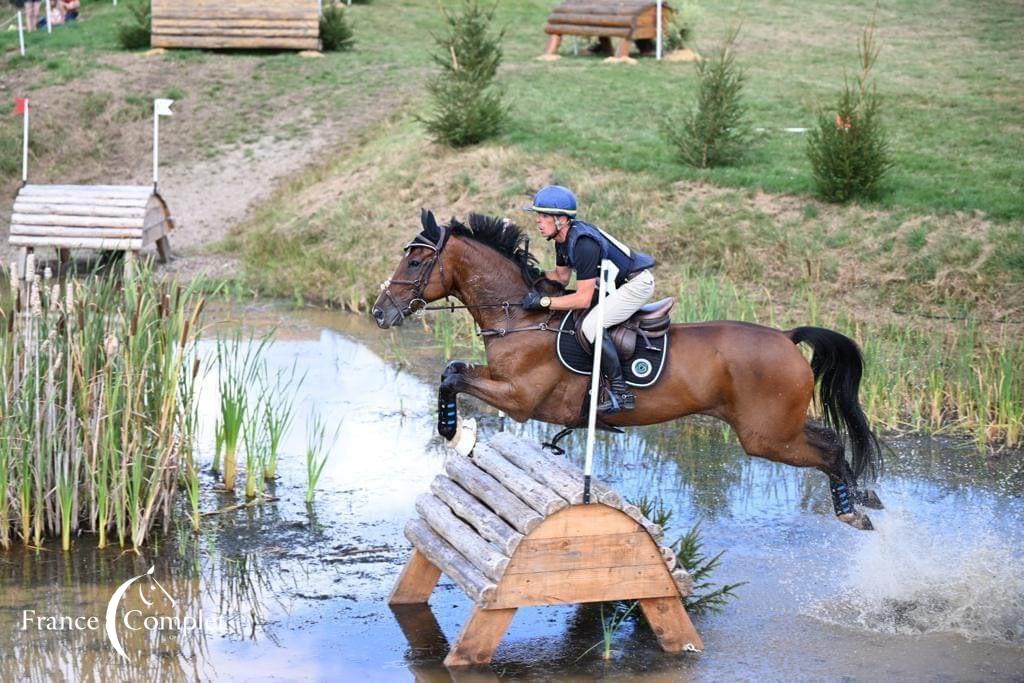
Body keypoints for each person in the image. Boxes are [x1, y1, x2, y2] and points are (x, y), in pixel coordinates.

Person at [521, 185, 656, 414]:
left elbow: (583, 298)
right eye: (538, 216)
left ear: (561, 220)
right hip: (615, 286)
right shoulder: (561, 240)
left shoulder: (583, 243)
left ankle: (620, 390)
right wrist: (528, 272)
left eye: (543, 216)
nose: (538, 222)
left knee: (591, 325)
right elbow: (561, 278)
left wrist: (544, 302)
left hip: (635, 285)